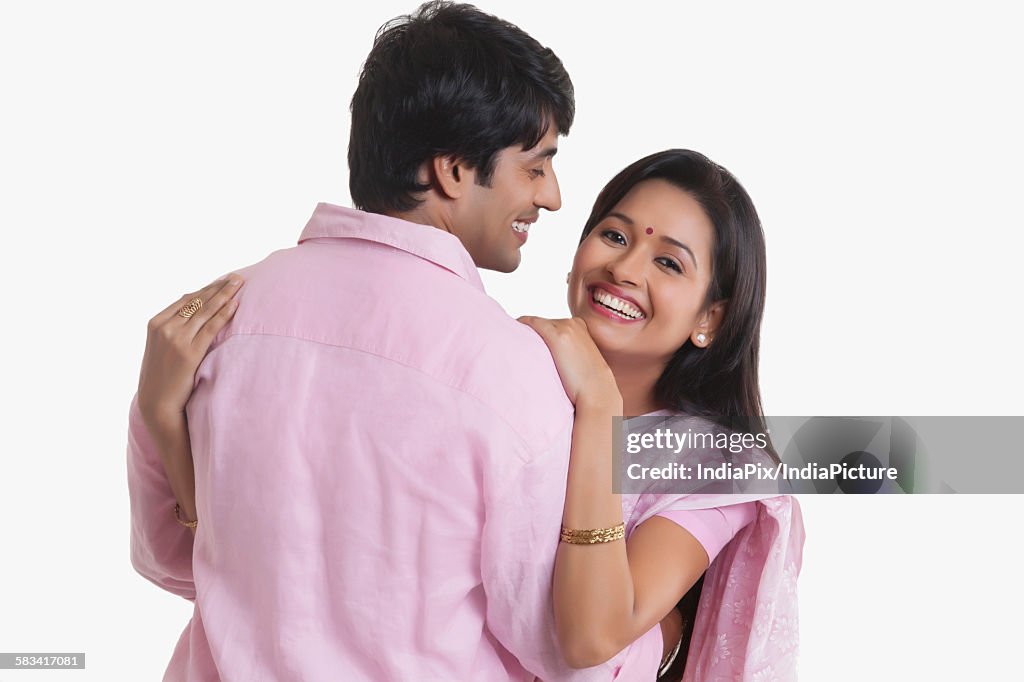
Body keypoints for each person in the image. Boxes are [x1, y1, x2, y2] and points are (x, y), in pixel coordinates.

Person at [128, 2, 674, 680]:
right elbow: (571, 652)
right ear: (451, 171)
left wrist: (158, 417)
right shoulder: (511, 374)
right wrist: (665, 629)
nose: (554, 196)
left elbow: (175, 564)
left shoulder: (219, 320)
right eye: (536, 165)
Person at [136, 149, 804, 680]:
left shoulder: (710, 461)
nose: (626, 268)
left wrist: (599, 406)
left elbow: (590, 636)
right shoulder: (498, 366)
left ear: (711, 318)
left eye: (667, 262)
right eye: (613, 234)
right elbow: (276, 567)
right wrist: (167, 418)